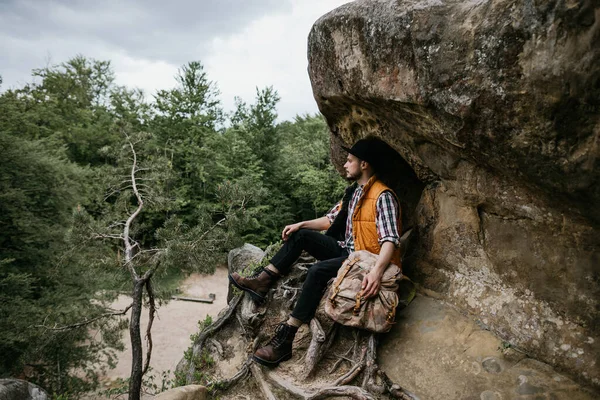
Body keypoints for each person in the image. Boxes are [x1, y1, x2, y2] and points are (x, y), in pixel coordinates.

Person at [229, 136, 402, 367]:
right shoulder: (354, 192)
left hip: (365, 263)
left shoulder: (383, 196)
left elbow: (390, 240)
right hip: (346, 252)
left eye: (350, 160)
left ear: (364, 164)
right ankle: (263, 281)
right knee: (300, 235)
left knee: (318, 271)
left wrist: (377, 273)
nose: (344, 164)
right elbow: (330, 220)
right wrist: (301, 224)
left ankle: (286, 339)